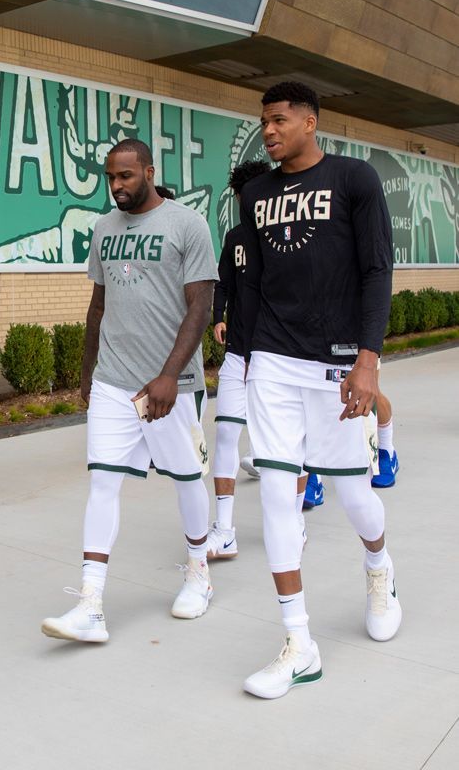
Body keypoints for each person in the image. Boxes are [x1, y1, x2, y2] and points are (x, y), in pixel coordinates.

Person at [237, 82, 400, 699]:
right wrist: (247, 355)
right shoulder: (254, 194)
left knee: (355, 496)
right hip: (274, 361)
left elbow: (376, 268)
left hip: (335, 363)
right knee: (278, 493)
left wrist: (368, 361)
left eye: (279, 120)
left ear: (310, 121)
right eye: (263, 123)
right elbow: (253, 281)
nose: (269, 131)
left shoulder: (355, 180)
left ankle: (379, 566)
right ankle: (298, 642)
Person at [41, 138, 218, 643]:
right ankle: (91, 604)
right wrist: (86, 369)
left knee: (186, 478)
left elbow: (200, 307)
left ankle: (198, 570)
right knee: (102, 483)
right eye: (110, 178)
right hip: (113, 382)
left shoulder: (187, 225)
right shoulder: (103, 228)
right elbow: (99, 304)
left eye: (126, 176)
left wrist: (169, 374)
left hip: (172, 384)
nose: (116, 186)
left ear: (148, 170)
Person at [208, 160, 319, 559]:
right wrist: (218, 317)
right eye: (242, 196)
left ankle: (295, 520)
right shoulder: (236, 237)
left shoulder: (291, 236)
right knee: (224, 435)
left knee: (291, 447)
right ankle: (224, 529)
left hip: (282, 357)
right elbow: (222, 281)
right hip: (240, 353)